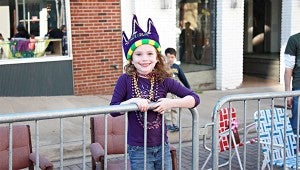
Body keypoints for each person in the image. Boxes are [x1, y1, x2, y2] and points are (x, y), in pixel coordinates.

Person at [110, 15, 200, 170]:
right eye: (138, 54)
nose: (145, 59)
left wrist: (171, 103)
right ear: (131, 59)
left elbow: (194, 98)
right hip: (138, 149)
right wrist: (132, 102)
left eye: (150, 54)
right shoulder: (125, 79)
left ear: (157, 58)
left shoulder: (163, 80)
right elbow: (113, 110)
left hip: (162, 146)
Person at [164, 47, 191, 132]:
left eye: (172, 57)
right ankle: (168, 124)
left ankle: (174, 124)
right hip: (166, 92)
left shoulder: (177, 67)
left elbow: (183, 78)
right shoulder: (162, 67)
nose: (170, 59)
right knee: (167, 108)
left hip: (174, 91)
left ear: (175, 57)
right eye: (168, 57)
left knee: (174, 107)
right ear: (165, 57)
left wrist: (188, 89)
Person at [284, 32, 300, 135]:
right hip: (298, 89)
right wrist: (288, 93)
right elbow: (288, 69)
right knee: (297, 126)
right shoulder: (294, 39)